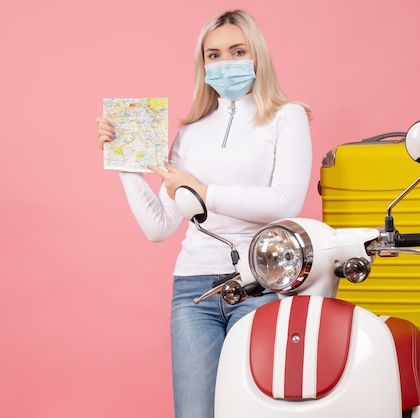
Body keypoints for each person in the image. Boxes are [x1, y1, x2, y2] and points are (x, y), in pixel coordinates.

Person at [95, 9, 312, 418]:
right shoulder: (191, 133)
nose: (224, 63)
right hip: (192, 292)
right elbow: (160, 227)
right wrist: (124, 165)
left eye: (237, 51)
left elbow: (285, 202)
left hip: (261, 282)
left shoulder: (287, 117)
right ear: (202, 63)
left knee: (257, 411)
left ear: (257, 56)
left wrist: (203, 191)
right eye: (213, 55)